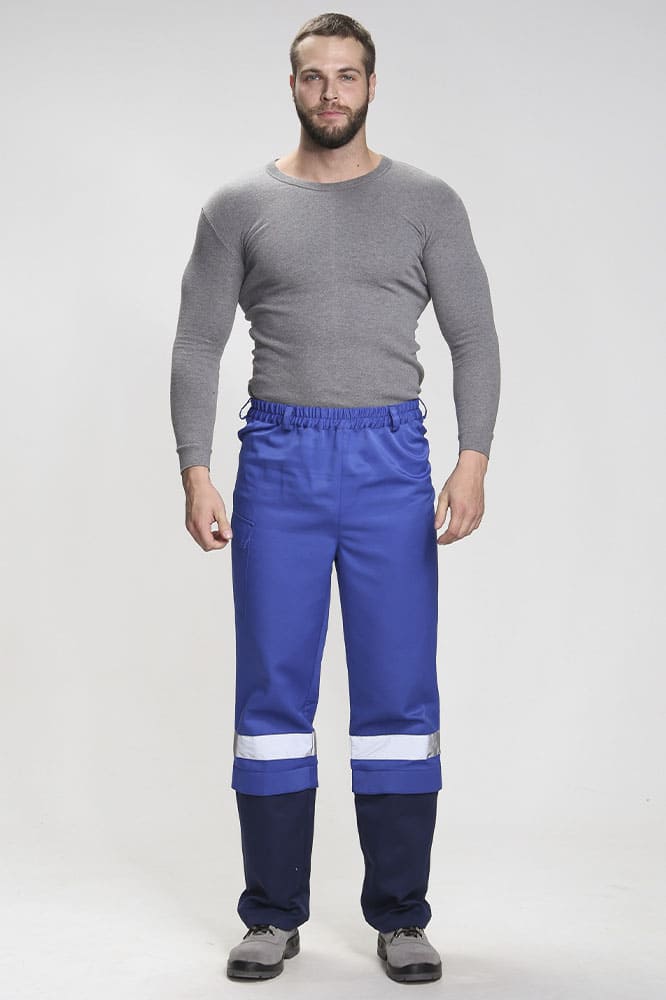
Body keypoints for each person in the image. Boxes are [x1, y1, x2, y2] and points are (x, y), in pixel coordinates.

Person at [170, 12, 500, 985]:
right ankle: (271, 916)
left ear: (371, 84)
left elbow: (475, 338)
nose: (330, 93)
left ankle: (400, 918)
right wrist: (195, 467)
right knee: (273, 696)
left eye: (347, 76)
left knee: (397, 695)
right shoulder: (238, 206)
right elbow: (198, 342)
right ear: (292, 86)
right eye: (314, 77)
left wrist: (472, 458)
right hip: (278, 462)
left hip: (390, 459)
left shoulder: (427, 202)